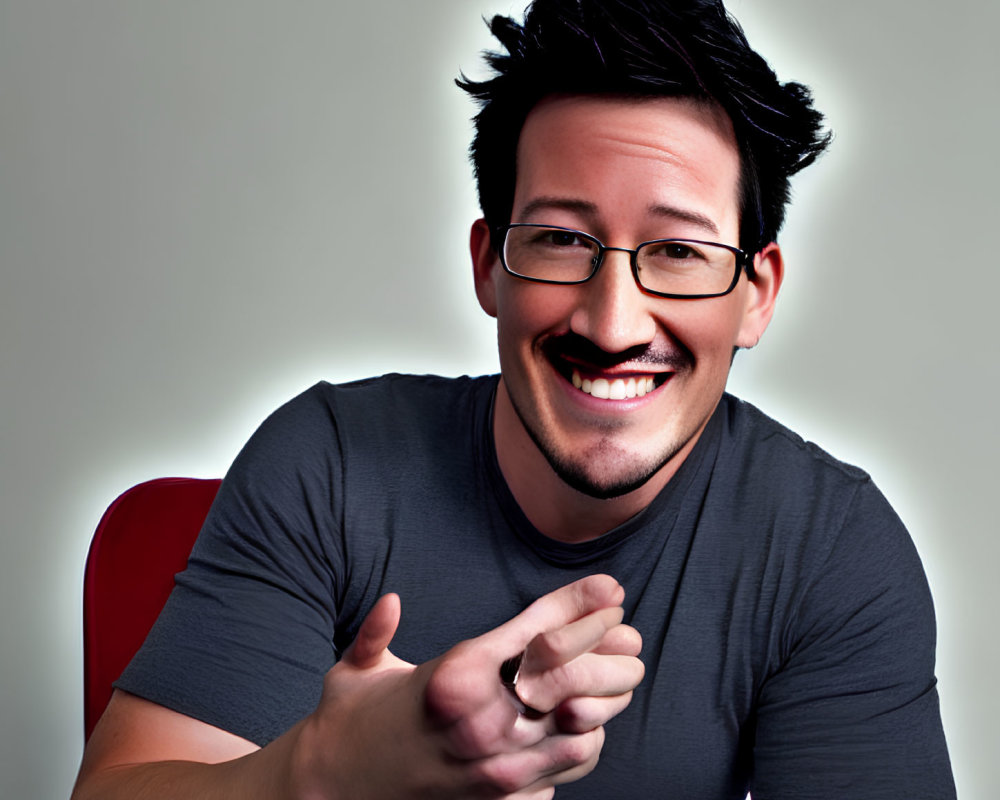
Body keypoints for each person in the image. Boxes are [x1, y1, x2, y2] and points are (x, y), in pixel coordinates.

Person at [72, 0, 956, 797]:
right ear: (487, 265)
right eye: (562, 241)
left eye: (680, 252)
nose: (612, 325)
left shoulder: (831, 548)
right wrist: (324, 774)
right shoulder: (331, 460)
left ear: (756, 294)